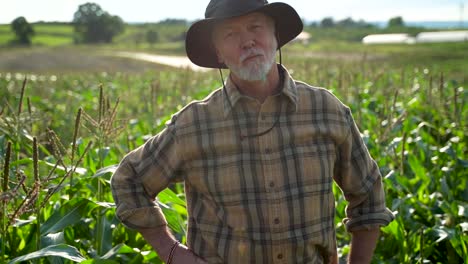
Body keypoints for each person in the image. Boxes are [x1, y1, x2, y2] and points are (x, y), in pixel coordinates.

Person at [110, 0, 395, 263]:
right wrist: (171, 252)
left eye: (255, 27)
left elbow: (368, 198)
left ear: (275, 36)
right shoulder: (193, 125)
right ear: (218, 52)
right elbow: (129, 181)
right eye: (230, 34)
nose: (247, 41)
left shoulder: (326, 110)